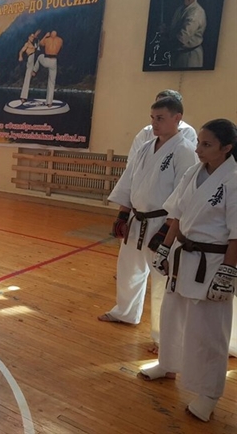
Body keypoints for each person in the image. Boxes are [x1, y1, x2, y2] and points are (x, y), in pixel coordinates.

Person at [140, 119, 237, 423]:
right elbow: (177, 216)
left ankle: (209, 394)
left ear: (226, 148)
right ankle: (167, 364)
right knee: (172, 315)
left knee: (209, 331)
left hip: (213, 262)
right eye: (198, 142)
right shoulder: (194, 172)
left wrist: (228, 273)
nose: (198, 149)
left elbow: (236, 234)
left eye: (206, 144)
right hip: (183, 256)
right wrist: (165, 248)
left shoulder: (233, 179)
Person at [98, 97, 197, 354]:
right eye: (152, 118)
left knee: (161, 280)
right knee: (129, 269)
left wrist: (167, 229)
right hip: (137, 219)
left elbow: (184, 194)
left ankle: (163, 338)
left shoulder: (185, 150)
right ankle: (126, 312)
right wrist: (122, 214)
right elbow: (129, 181)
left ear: (177, 118)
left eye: (160, 118)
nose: (154, 123)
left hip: (162, 222)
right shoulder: (145, 147)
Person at [128, 89, 197, 161]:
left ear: (176, 116)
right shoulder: (146, 134)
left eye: (160, 118)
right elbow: (132, 162)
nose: (154, 122)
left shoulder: (187, 132)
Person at [165, 0, 207, 69]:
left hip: (190, 57)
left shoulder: (196, 12)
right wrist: (166, 30)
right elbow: (176, 28)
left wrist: (164, 44)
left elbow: (182, 38)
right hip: (178, 55)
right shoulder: (180, 8)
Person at [31, 30, 63, 107]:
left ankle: (34, 71)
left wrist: (45, 35)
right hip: (54, 61)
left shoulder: (47, 39)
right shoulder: (60, 40)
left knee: (39, 57)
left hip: (46, 60)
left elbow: (40, 44)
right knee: (51, 82)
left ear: (50, 34)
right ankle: (49, 103)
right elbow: (60, 47)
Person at [18, 30, 40, 102]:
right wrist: (20, 56)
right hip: (30, 58)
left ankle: (34, 71)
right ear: (29, 37)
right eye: (31, 37)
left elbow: (37, 42)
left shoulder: (34, 44)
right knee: (27, 77)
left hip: (35, 58)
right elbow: (21, 51)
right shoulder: (27, 44)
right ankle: (23, 96)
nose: (32, 38)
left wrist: (36, 36)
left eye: (33, 37)